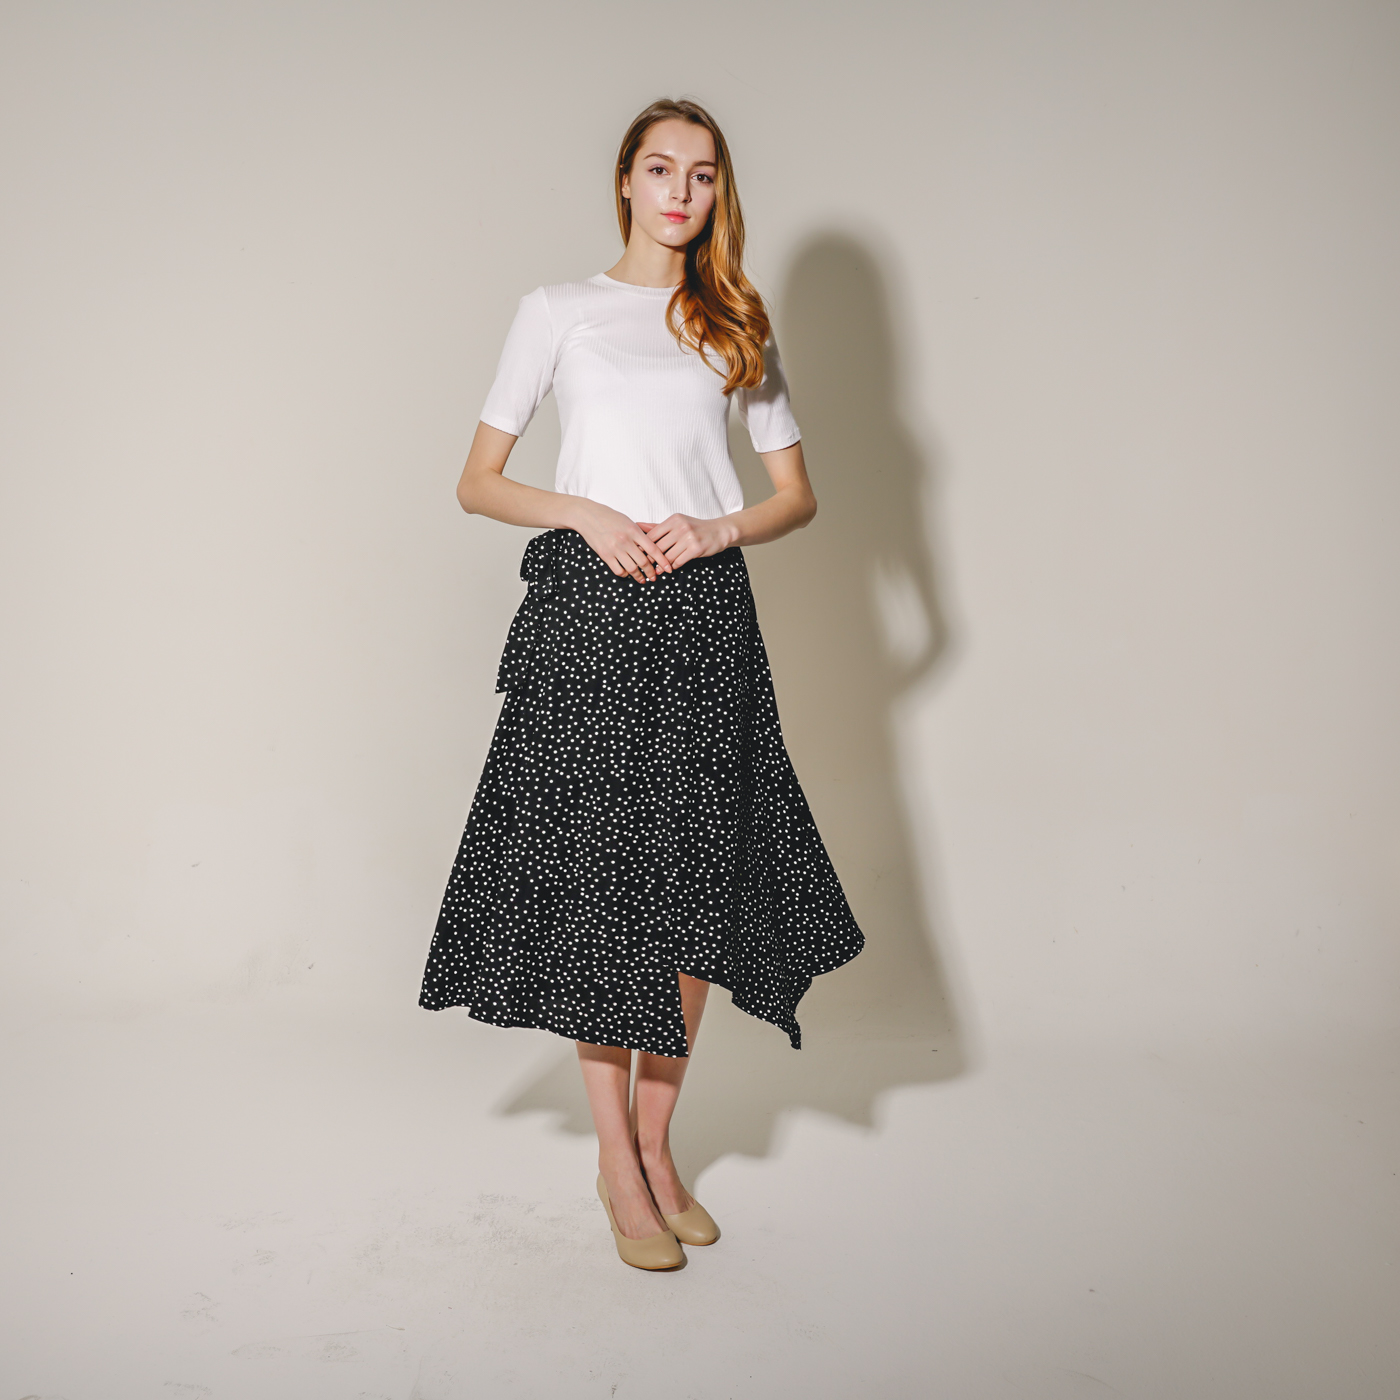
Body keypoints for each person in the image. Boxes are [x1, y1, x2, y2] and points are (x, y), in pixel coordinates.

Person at [418, 98, 864, 1270]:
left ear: (718, 192)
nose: (679, 191)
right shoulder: (557, 310)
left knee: (696, 884)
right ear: (624, 179)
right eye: (660, 169)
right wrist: (585, 512)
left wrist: (716, 529)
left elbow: (794, 494)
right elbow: (477, 480)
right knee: (602, 885)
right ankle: (615, 1159)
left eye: (701, 174)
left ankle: (659, 1147)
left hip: (706, 613)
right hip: (591, 614)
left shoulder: (732, 319)